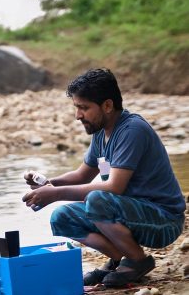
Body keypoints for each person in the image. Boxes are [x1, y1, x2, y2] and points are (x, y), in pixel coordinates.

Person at [22, 68, 185, 287]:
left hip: (163, 220)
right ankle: (119, 259)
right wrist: (48, 183)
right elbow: (82, 175)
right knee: (61, 217)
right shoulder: (101, 132)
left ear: (107, 106)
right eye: (77, 107)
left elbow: (114, 187)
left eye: (84, 108)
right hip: (132, 212)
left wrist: (56, 193)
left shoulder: (132, 130)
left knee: (97, 199)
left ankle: (138, 260)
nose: (78, 115)